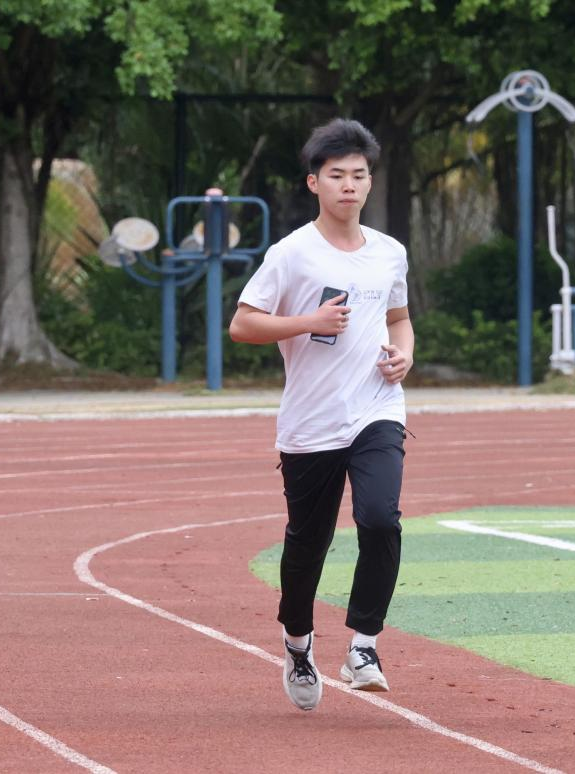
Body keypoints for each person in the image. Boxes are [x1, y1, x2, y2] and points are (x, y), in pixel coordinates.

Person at [229, 118, 414, 712]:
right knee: (308, 545)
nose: (349, 185)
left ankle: (363, 646)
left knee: (380, 519)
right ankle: (297, 643)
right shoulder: (292, 254)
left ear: (370, 181)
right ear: (314, 182)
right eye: (336, 175)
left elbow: (399, 319)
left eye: (359, 175)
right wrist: (308, 322)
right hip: (311, 422)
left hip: (376, 409)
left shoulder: (389, 253)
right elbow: (243, 324)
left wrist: (404, 354)